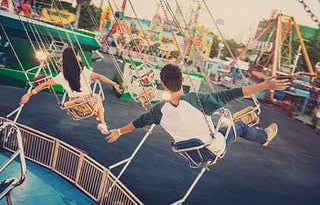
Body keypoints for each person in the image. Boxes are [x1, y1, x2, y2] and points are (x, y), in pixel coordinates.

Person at [105, 64, 291, 157]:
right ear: (183, 79)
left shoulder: (159, 110)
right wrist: (263, 86)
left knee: (218, 127)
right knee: (238, 126)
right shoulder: (197, 100)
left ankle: (261, 136)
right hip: (212, 149)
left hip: (190, 152)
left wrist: (119, 131)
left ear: (163, 84)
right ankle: (264, 137)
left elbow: (139, 122)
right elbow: (231, 94)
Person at [20, 47, 122, 134]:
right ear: (76, 58)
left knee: (96, 103)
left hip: (73, 104)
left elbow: (44, 84)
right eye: (78, 55)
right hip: (86, 102)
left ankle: (98, 115)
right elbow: (100, 77)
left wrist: (29, 94)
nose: (79, 57)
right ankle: (102, 123)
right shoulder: (83, 71)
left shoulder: (62, 76)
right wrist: (114, 84)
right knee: (98, 98)